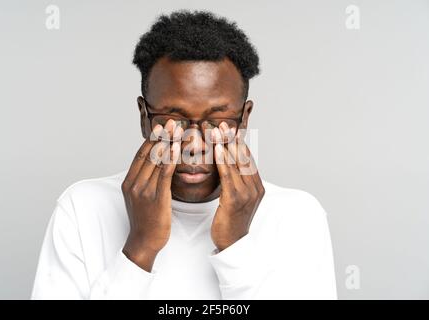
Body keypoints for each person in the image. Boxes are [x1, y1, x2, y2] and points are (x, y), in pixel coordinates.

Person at [31, 10, 337, 299]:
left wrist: (237, 247)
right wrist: (140, 247)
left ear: (244, 120)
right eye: (173, 120)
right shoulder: (83, 208)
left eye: (218, 121)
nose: (194, 143)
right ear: (143, 116)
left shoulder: (298, 217)